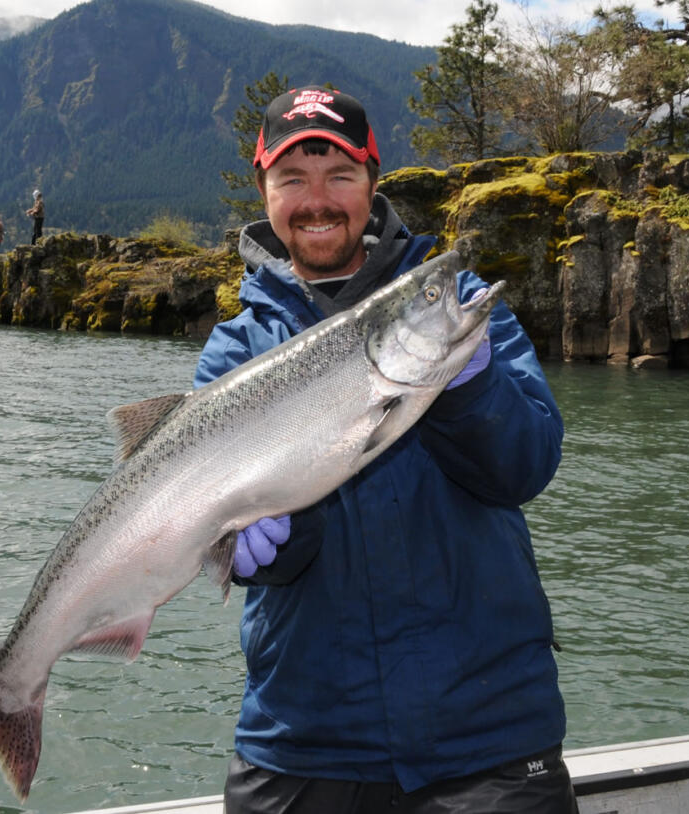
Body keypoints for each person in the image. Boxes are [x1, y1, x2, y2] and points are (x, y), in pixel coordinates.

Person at [193, 86, 574, 814]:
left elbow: (525, 468)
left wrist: (472, 387)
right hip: (303, 735)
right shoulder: (235, 348)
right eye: (292, 179)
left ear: (372, 181)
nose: (317, 200)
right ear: (264, 191)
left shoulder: (455, 304)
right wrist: (258, 540)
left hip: (487, 735)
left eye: (339, 175)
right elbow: (263, 559)